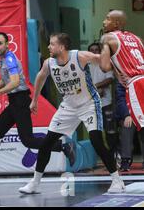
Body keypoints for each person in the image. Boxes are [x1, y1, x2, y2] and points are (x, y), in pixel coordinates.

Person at [19, 33, 125, 194]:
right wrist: (35, 100)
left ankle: (117, 181)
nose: (48, 47)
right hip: (68, 106)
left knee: (96, 140)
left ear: (61, 47)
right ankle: (34, 182)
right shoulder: (49, 63)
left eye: (52, 44)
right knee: (47, 143)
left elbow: (105, 62)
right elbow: (40, 77)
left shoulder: (80, 57)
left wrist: (124, 75)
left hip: (89, 103)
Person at [0, 32, 75, 180]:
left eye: (0, 43)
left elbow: (15, 82)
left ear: (7, 45)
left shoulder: (10, 59)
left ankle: (62, 147)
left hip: (20, 101)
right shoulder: (3, 59)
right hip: (14, 102)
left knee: (28, 140)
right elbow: (5, 79)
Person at [99, 10, 144, 130]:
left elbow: (104, 67)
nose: (104, 22)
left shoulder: (107, 38)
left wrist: (117, 72)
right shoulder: (137, 39)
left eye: (107, 19)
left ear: (116, 23)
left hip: (135, 84)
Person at [88, 42, 117, 154]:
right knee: (95, 132)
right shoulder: (85, 65)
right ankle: (103, 155)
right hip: (91, 104)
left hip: (106, 103)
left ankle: (114, 154)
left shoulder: (105, 63)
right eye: (92, 50)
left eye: (96, 50)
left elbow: (110, 79)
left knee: (110, 130)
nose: (94, 52)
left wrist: (95, 86)